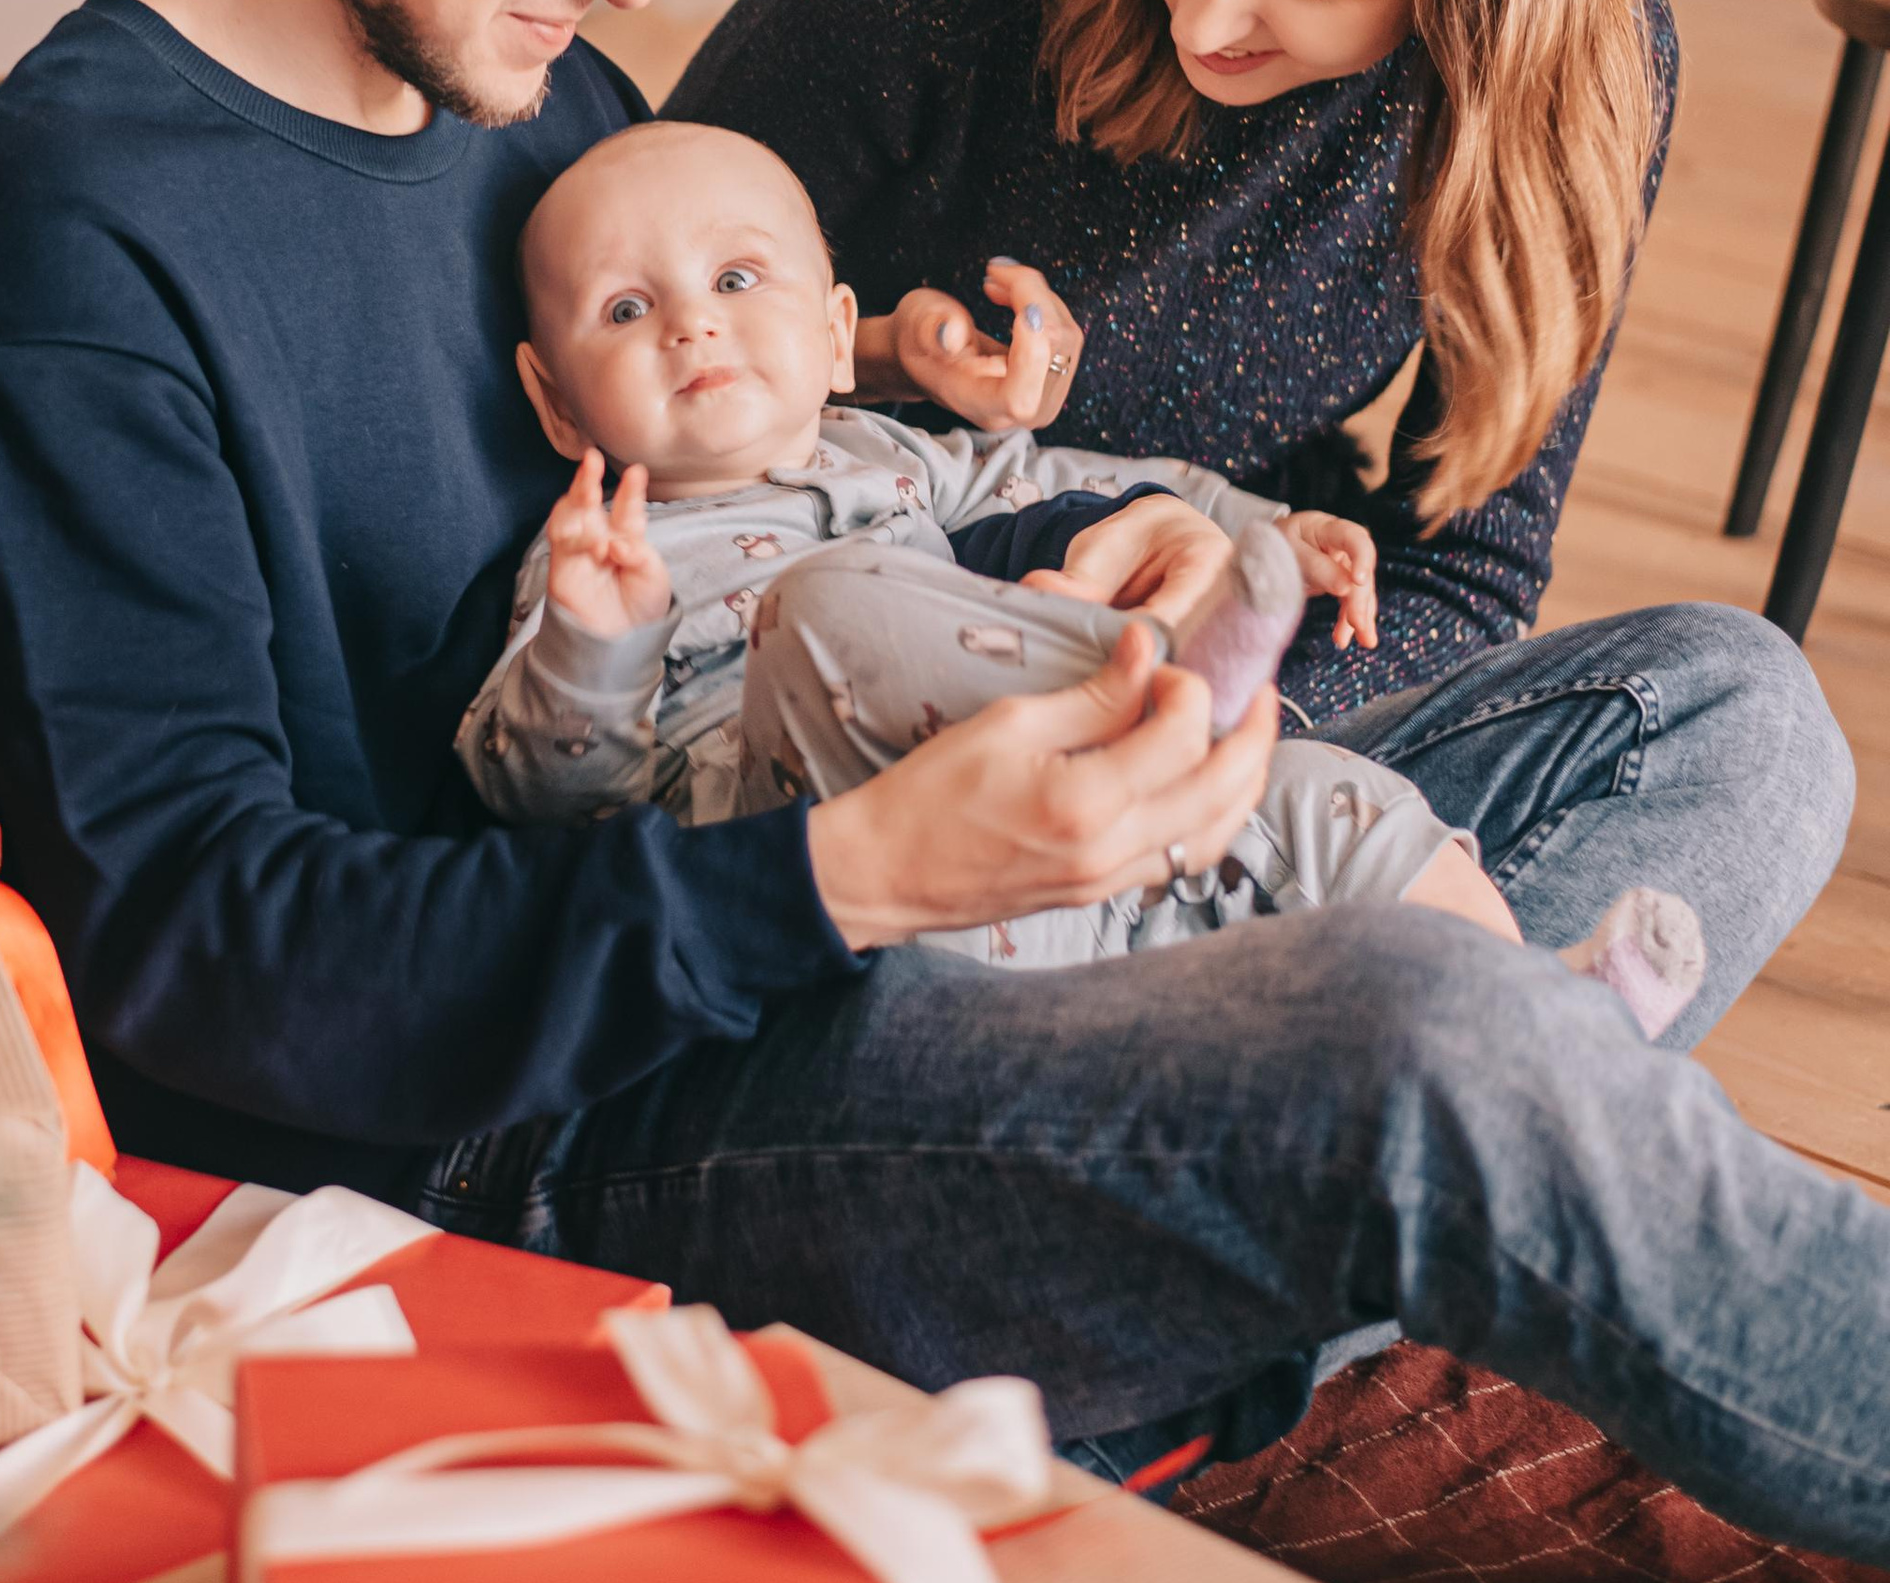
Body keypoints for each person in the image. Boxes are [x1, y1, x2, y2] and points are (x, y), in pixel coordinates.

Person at [0, 0, 1886, 1554]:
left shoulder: (537, 113)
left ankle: (1211, 1262)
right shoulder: (63, 247)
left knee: (1711, 708)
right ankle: (1268, 1227)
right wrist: (862, 878)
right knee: (1430, 1044)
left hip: (853, 875)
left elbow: (794, 509)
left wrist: (1093, 545)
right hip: (570, 1115)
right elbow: (196, 963)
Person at [458, 115, 1518, 958]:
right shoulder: (595, 556)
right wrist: (594, 649)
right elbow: (538, 796)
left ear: (836, 336)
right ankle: (1165, 678)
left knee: (1321, 795)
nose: (690, 324)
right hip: (837, 876)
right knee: (823, 607)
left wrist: (1267, 531)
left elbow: (1083, 481)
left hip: (1075, 865)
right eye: (625, 309)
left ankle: (1541, 1017)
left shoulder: (889, 453)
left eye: (735, 281)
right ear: (557, 407)